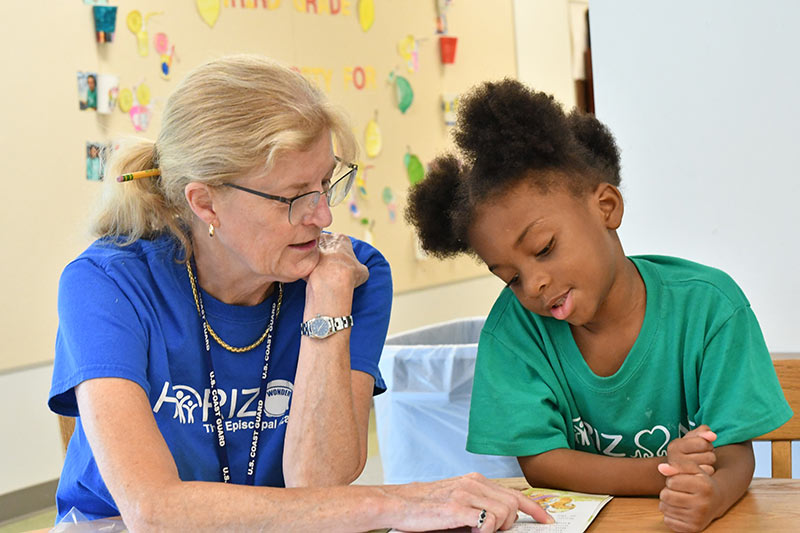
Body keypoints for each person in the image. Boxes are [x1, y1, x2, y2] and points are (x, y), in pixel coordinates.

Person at [49, 56, 552, 531]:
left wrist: (328, 299)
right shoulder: (106, 284)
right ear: (205, 202)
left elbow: (319, 482)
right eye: (293, 198)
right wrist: (394, 501)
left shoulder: (354, 273)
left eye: (326, 184)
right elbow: (152, 510)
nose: (323, 216)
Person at [405, 79, 792, 533]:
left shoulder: (710, 307)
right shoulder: (513, 333)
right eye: (510, 278)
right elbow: (542, 462)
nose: (533, 285)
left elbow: (733, 454)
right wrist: (668, 473)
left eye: (544, 248)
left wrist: (710, 496)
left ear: (606, 207)